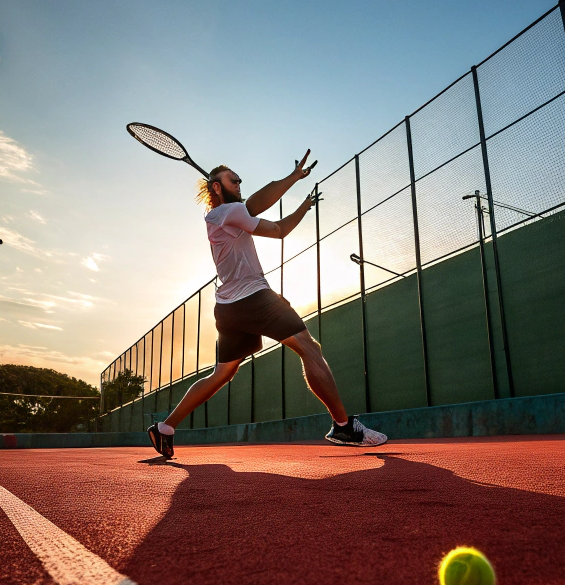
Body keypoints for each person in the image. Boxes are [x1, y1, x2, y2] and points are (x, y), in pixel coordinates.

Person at [148, 152, 387, 459]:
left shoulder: (222, 215)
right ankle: (343, 425)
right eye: (233, 179)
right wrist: (297, 191)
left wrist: (296, 185)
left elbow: (262, 211)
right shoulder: (227, 213)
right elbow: (275, 229)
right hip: (253, 299)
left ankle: (165, 427)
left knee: (221, 373)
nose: (239, 182)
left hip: (228, 308)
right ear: (216, 187)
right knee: (309, 347)